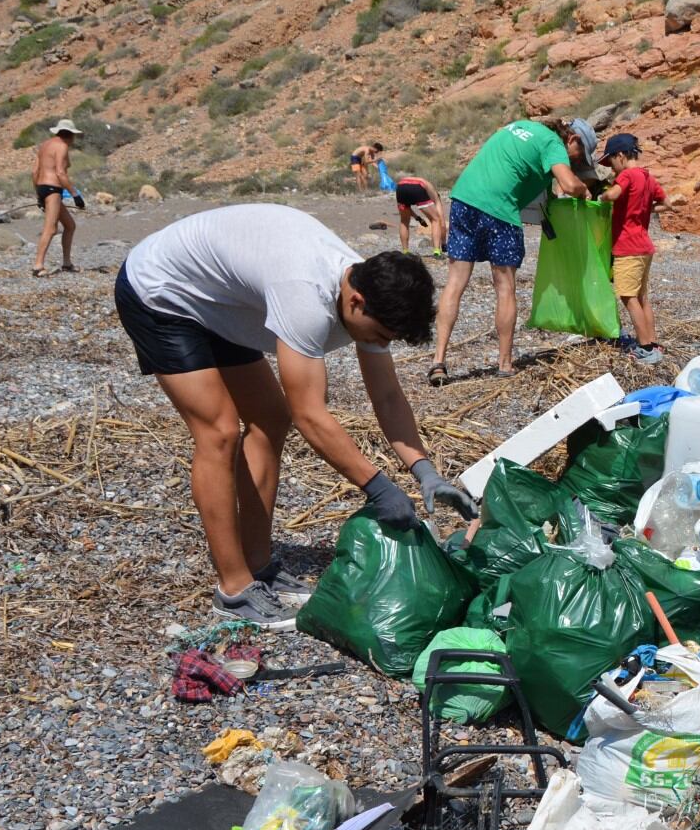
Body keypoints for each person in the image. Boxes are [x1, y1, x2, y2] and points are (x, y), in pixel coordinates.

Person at [115, 204, 477, 630]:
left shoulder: (367, 291)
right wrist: (378, 488)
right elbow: (311, 415)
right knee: (219, 431)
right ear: (356, 301)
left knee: (270, 416)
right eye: (380, 335)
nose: (380, 344)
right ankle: (233, 591)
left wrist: (425, 471)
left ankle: (259, 565)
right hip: (161, 291)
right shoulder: (306, 297)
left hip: (219, 301)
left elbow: (387, 396)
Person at [427, 118, 593, 384]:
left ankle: (438, 361)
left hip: (463, 198)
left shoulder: (520, 126)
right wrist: (584, 190)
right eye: (580, 156)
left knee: (455, 283)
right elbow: (570, 185)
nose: (577, 162)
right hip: (499, 209)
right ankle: (504, 363)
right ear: (573, 139)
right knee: (505, 287)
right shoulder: (554, 144)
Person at [601, 133, 665, 365]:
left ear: (620, 155)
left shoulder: (627, 175)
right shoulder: (647, 177)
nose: (611, 167)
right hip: (644, 246)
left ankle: (645, 348)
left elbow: (613, 194)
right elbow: (665, 204)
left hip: (627, 247)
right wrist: (643, 210)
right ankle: (654, 342)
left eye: (611, 162)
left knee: (628, 297)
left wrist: (602, 196)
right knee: (641, 296)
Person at [31, 119, 84, 278]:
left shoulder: (45, 145)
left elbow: (35, 172)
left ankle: (67, 263)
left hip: (43, 187)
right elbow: (61, 173)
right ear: (70, 135)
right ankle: (38, 265)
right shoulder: (62, 146)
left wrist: (39, 194)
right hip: (53, 188)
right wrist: (75, 195)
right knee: (51, 228)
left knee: (69, 225)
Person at [394, 174, 446, 256]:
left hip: (400, 186)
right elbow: (441, 221)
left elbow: (407, 208)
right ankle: (437, 251)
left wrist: (418, 218)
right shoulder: (436, 196)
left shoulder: (423, 183)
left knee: (404, 221)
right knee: (435, 220)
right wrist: (444, 243)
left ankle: (405, 252)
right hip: (418, 187)